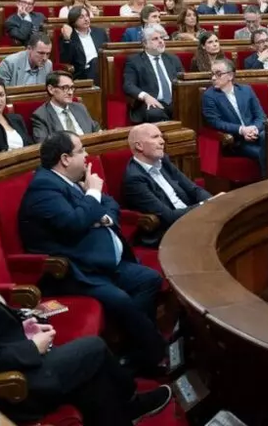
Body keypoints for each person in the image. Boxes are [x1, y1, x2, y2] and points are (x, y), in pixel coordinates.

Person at [0, 208, 173, 424]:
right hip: (13, 389)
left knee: (88, 375)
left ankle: (121, 413)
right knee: (93, 348)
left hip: (18, 363)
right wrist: (32, 347)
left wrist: (23, 320)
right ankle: (130, 402)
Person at [19, 132, 169, 373]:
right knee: (120, 299)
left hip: (102, 262)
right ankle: (155, 353)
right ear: (65, 158)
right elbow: (74, 222)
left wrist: (100, 213)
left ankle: (135, 352)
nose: (87, 155)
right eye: (81, 151)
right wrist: (92, 195)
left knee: (149, 279)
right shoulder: (44, 187)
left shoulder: (72, 181)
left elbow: (110, 205)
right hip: (76, 271)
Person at [125, 121, 218, 246]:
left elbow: (193, 189)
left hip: (189, 216)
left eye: (161, 136)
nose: (162, 141)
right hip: (167, 232)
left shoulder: (163, 160)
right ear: (139, 146)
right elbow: (168, 217)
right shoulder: (134, 179)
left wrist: (214, 202)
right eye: (155, 137)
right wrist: (205, 205)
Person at [201, 59, 268, 176]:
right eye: (211, 74)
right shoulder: (209, 96)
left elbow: (260, 116)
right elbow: (215, 122)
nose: (213, 78)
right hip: (235, 142)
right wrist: (242, 130)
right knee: (265, 154)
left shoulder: (246, 90)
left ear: (230, 75)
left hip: (256, 135)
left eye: (218, 74)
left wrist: (254, 129)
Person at [124, 25, 182, 124]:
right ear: (145, 44)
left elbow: (182, 80)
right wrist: (146, 96)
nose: (161, 41)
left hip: (174, 101)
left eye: (162, 38)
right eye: (155, 39)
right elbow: (128, 85)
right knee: (155, 114)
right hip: (151, 102)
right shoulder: (134, 61)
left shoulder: (173, 59)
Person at [31, 72, 100, 142]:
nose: (70, 92)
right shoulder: (41, 116)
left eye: (72, 88)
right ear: (51, 89)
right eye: (65, 88)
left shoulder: (80, 107)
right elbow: (44, 146)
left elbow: (95, 127)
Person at [61, 6, 108, 83]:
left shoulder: (100, 32)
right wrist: (67, 39)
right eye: (81, 17)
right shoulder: (70, 35)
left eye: (87, 16)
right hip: (82, 72)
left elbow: (108, 52)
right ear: (73, 20)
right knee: (95, 62)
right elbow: (65, 60)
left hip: (102, 68)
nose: (86, 19)